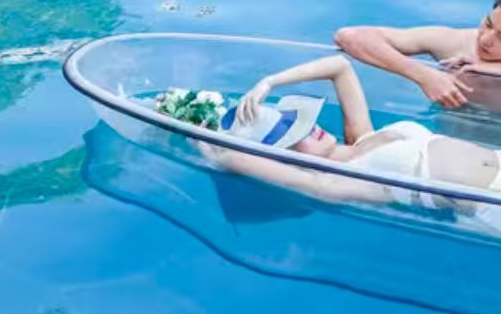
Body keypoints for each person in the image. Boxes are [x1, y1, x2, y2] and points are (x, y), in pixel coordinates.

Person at [189, 54, 501, 227]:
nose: (310, 129)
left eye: (301, 123)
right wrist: (214, 144)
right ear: (286, 159)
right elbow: (233, 158)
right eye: (294, 137)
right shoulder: (348, 180)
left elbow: (340, 67)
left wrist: (268, 83)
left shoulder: (362, 136)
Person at [334, 0, 501, 109]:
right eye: (487, 24)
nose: (485, 39)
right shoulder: (456, 43)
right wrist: (425, 76)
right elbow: (349, 36)